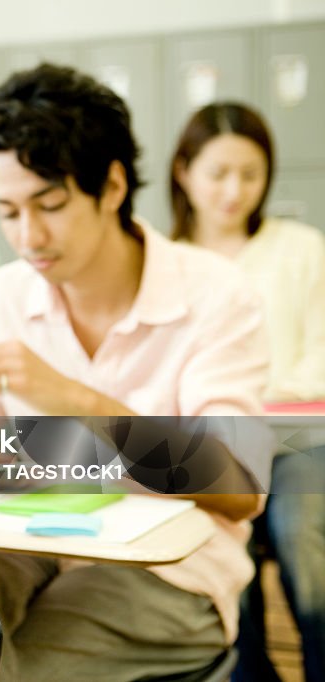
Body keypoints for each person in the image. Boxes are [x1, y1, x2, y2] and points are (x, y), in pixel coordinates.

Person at [0, 63, 273, 681]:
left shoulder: (215, 295)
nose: (27, 235)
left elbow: (240, 483)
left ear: (113, 186)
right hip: (23, 541)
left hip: (167, 569)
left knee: (11, 670)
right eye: (7, 212)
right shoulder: (3, 295)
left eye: (50, 204)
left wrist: (75, 399)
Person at [170, 101, 325, 682]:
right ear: (184, 173)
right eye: (218, 173)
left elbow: (320, 358)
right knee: (210, 555)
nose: (234, 190)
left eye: (251, 174)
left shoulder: (302, 248)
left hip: (295, 447)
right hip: (212, 449)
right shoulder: (168, 262)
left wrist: (243, 397)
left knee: (302, 542)